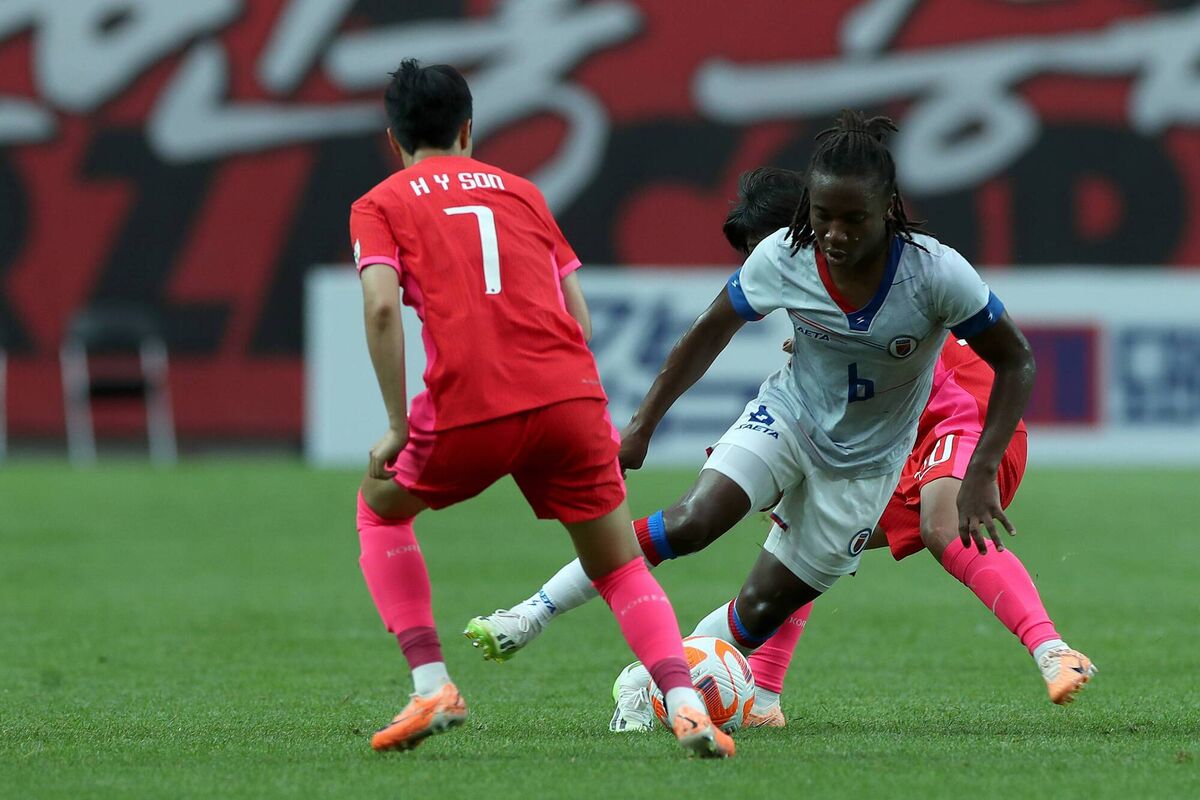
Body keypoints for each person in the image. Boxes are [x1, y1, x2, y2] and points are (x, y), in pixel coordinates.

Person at [467, 110, 1062, 724]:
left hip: (867, 466)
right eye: (822, 214)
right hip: (790, 417)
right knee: (694, 521)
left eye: (851, 218)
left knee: (757, 610)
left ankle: (653, 684)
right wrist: (643, 423)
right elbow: (707, 332)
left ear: (887, 208)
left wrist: (984, 465)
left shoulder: (935, 273)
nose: (832, 233)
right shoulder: (785, 253)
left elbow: (1017, 360)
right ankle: (534, 611)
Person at [350, 59, 733, 758]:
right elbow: (578, 318)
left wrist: (399, 424)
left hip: (473, 401)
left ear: (392, 138)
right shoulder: (522, 193)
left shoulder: (382, 203)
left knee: (379, 508)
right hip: (569, 396)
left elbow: (380, 306)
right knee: (618, 564)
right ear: (469, 128)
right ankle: (685, 704)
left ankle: (432, 682)